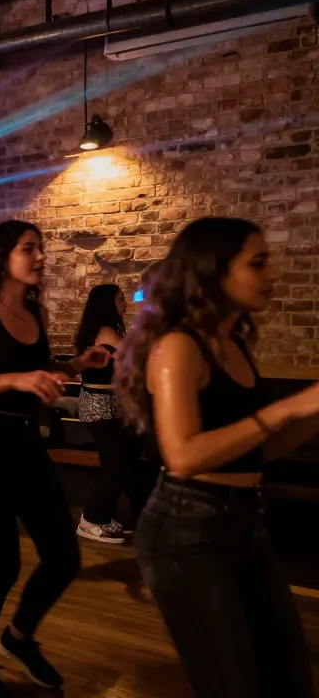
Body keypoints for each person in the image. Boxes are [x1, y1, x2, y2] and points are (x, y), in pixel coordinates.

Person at [115, 217, 319, 698]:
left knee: (289, 673)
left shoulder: (233, 344)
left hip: (244, 521)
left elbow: (257, 450)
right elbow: (183, 456)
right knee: (232, 683)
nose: (273, 275)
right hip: (187, 529)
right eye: (258, 262)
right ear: (212, 271)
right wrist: (290, 406)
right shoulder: (178, 348)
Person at [0, 220, 109, 698]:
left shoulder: (33, 310)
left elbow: (35, 372)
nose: (41, 258)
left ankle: (19, 637)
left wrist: (75, 365)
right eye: (30, 249)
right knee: (3, 564)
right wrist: (13, 381)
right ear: (1, 256)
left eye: (41, 249)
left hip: (25, 442)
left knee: (63, 555)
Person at [74, 283, 151, 543]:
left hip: (109, 404)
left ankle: (106, 517)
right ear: (108, 304)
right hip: (100, 405)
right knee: (117, 463)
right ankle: (91, 520)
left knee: (124, 461)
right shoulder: (106, 331)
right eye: (120, 300)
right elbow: (135, 361)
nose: (125, 303)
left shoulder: (108, 329)